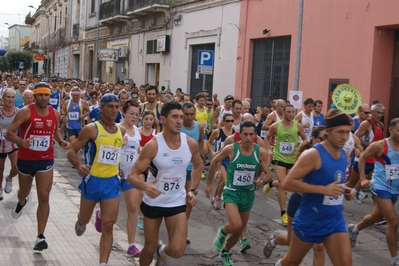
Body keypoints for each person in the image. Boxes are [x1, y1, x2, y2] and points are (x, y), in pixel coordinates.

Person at [275, 109, 354, 266]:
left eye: (347, 132)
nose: (345, 137)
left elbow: (334, 182)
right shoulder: (313, 155)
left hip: (334, 220)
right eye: (340, 132)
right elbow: (288, 183)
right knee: (292, 261)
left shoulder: (344, 154)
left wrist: (346, 191)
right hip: (310, 219)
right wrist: (323, 190)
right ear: (328, 132)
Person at [127, 102, 203, 266]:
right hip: (153, 202)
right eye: (175, 117)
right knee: (149, 248)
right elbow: (132, 175)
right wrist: (146, 186)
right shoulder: (153, 146)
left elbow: (198, 166)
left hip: (177, 202)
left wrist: (193, 191)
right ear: (163, 119)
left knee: (177, 250)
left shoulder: (190, 143)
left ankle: (162, 253)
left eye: (181, 117)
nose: (179, 121)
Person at [5, 82, 70, 251]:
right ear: (34, 97)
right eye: (40, 95)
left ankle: (40, 236)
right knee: (23, 193)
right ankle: (20, 203)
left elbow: (55, 131)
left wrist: (61, 141)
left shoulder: (55, 113)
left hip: (45, 159)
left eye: (46, 95)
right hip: (26, 160)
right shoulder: (26, 112)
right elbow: (9, 133)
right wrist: (21, 142)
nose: (43, 98)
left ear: (50, 96)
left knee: (44, 195)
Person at [67, 94, 125, 266]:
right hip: (92, 181)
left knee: (108, 226)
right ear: (101, 109)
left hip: (112, 182)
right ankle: (82, 220)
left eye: (116, 107)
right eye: (110, 107)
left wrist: (118, 167)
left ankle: (103, 263)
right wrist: (79, 166)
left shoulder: (121, 130)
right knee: (84, 221)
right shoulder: (92, 129)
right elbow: (71, 151)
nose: (114, 110)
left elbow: (115, 153)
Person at [206, 120, 270, 266]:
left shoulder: (260, 152)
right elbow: (215, 160)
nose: (248, 138)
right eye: (245, 134)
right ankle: (222, 232)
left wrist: (262, 181)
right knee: (235, 225)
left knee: (239, 228)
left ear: (255, 135)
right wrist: (209, 183)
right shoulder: (231, 149)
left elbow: (268, 174)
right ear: (240, 134)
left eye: (251, 135)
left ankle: (225, 252)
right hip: (231, 192)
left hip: (248, 194)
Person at [263, 126, 327, 266]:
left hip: (318, 206)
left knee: (319, 246)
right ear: (314, 139)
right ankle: (274, 240)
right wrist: (320, 189)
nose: (325, 142)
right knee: (291, 241)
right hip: (299, 202)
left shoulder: (330, 156)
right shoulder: (307, 155)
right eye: (322, 139)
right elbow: (289, 183)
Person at [347, 118, 399, 266]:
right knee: (393, 222)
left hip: (395, 189)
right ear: (391, 130)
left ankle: (355, 229)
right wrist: (362, 179)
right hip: (380, 187)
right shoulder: (380, 145)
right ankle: (395, 259)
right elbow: (362, 158)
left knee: (376, 217)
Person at [264, 104, 307, 226]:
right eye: (288, 111)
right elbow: (267, 138)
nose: (291, 114)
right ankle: (284, 213)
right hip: (279, 158)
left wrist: (300, 148)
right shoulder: (275, 126)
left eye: (292, 112)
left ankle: (272, 183)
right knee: (283, 185)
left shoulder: (297, 126)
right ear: (283, 112)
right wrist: (268, 150)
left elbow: (305, 140)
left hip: (292, 159)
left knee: (289, 184)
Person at [349, 103, 385, 204]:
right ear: (372, 113)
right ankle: (335, 195)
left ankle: (356, 192)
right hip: (363, 156)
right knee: (351, 182)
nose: (379, 115)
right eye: (377, 112)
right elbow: (355, 137)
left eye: (381, 113)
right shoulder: (366, 124)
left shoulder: (381, 125)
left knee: (371, 178)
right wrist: (369, 144)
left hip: (374, 158)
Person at [181, 102, 204, 227]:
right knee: (177, 200)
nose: (189, 117)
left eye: (192, 114)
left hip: (192, 169)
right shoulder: (177, 127)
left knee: (189, 200)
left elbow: (200, 141)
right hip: (178, 169)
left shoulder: (199, 127)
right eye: (186, 114)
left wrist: (200, 155)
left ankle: (182, 227)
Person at [207, 113, 235, 210]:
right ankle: (218, 199)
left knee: (221, 181)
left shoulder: (235, 133)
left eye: (232, 121)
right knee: (225, 180)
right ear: (223, 121)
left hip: (230, 160)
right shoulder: (217, 132)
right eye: (228, 121)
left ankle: (215, 197)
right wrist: (212, 152)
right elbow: (208, 142)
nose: (230, 123)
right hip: (220, 159)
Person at [0, 88, 20, 199]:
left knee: (16, 166)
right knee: (0, 169)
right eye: (8, 97)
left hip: (13, 144)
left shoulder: (18, 112)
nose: (10, 99)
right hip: (0, 145)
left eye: (12, 97)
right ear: (3, 98)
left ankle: (10, 178)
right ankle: (0, 188)